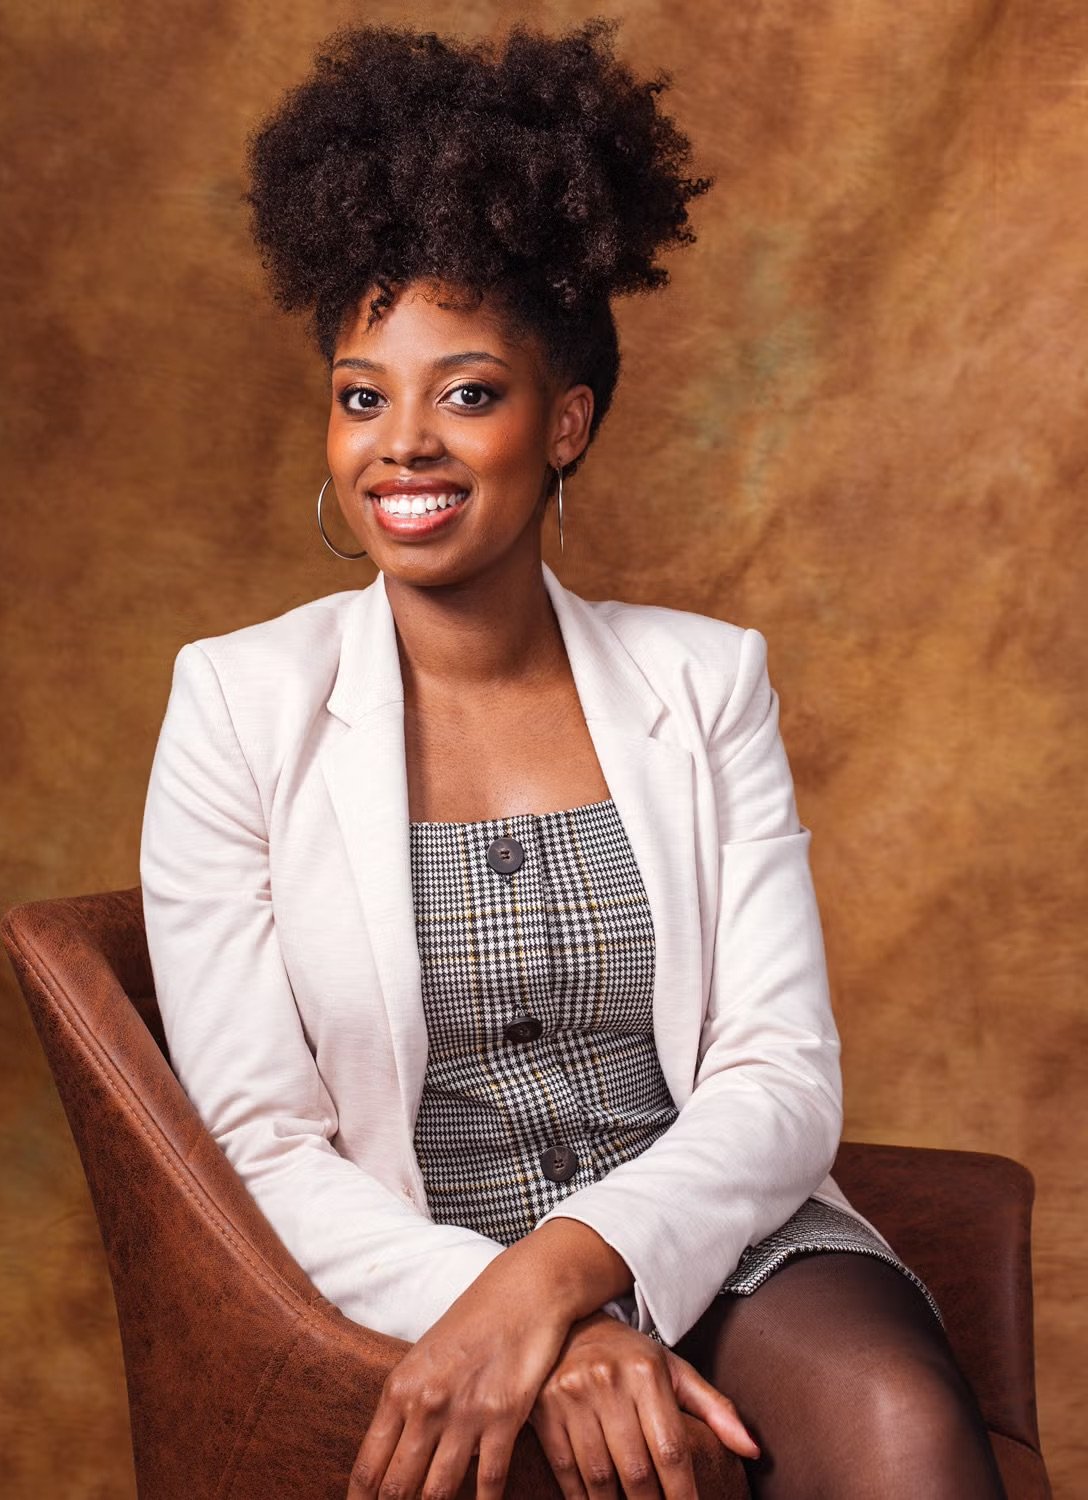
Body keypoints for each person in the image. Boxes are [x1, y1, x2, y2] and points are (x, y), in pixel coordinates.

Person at [139, 17, 1008, 1500]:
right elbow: (258, 1144)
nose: (403, 444)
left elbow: (780, 1072)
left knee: (894, 1417)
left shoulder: (706, 682)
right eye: (363, 395)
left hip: (712, 1237)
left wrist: (570, 1273)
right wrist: (526, 1321)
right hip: (412, 1260)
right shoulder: (236, 704)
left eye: (468, 392)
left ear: (567, 422)